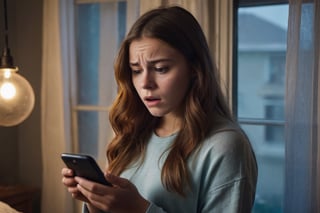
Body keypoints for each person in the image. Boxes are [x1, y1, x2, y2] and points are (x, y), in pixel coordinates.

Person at [62, 6, 258, 213]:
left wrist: (139, 210)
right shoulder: (135, 132)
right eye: (136, 70)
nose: (145, 83)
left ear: (194, 69)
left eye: (161, 68)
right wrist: (96, 201)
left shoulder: (225, 147)